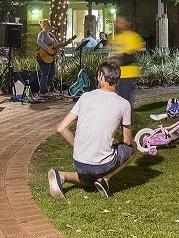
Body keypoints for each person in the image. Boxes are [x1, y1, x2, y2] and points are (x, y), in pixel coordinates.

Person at [48, 62, 134, 198]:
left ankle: (62, 176)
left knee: (89, 181)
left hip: (79, 163)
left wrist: (79, 147)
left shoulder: (85, 97)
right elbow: (128, 141)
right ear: (117, 80)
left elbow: (61, 128)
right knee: (132, 147)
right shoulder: (124, 104)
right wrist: (117, 135)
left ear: (100, 76)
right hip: (102, 166)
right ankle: (105, 179)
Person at [109, 15, 144, 103]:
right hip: (115, 75)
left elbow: (132, 57)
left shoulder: (133, 37)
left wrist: (118, 60)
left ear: (127, 23)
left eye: (120, 21)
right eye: (116, 22)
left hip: (127, 75)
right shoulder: (114, 38)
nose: (117, 24)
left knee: (124, 101)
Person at [36, 19, 58, 95]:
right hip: (43, 56)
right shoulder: (42, 33)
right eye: (48, 24)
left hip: (51, 57)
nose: (49, 26)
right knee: (45, 73)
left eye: (49, 24)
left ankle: (47, 89)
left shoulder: (52, 35)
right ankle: (42, 91)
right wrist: (47, 49)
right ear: (43, 25)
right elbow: (39, 41)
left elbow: (56, 45)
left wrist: (59, 49)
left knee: (52, 73)